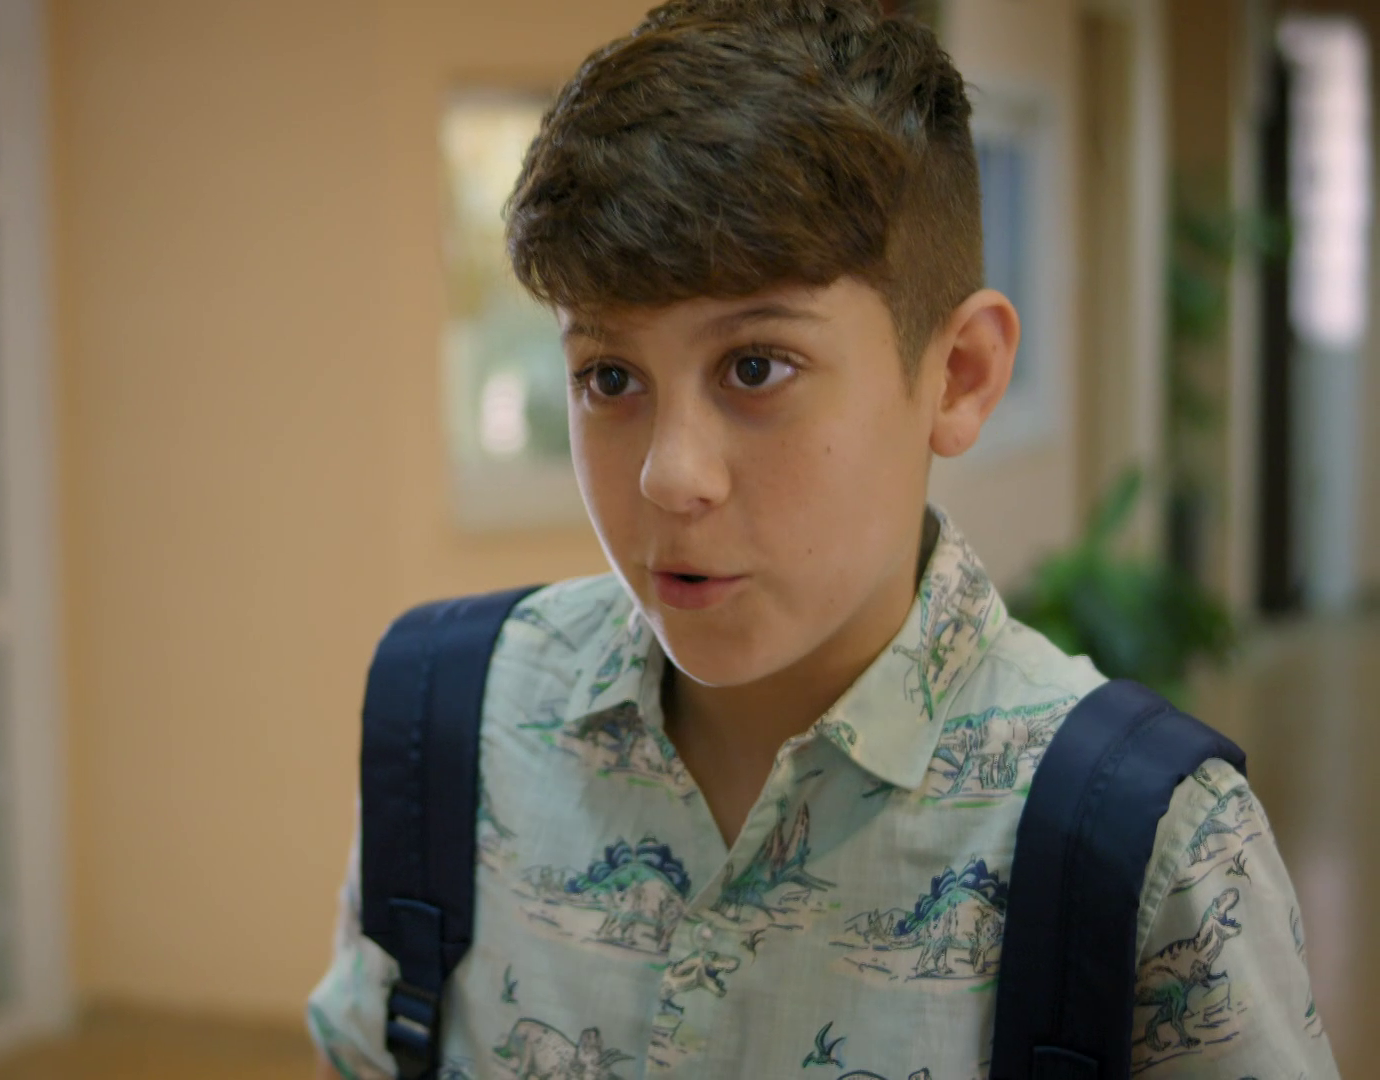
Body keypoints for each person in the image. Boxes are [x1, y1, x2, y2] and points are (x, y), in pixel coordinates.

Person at [307, 1, 1338, 1075]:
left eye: (755, 367)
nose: (671, 475)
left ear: (959, 375)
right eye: (609, 377)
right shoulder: (454, 727)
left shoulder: (1147, 849)